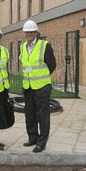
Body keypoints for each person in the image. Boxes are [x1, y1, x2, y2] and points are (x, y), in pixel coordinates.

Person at [19, 20, 56, 153]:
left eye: (31, 32)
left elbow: (52, 65)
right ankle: (32, 137)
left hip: (41, 87)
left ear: (36, 32)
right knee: (30, 114)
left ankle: (42, 142)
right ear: (24, 33)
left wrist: (42, 77)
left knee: (43, 116)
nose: (29, 34)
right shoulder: (23, 47)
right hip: (28, 87)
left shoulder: (44, 45)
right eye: (27, 32)